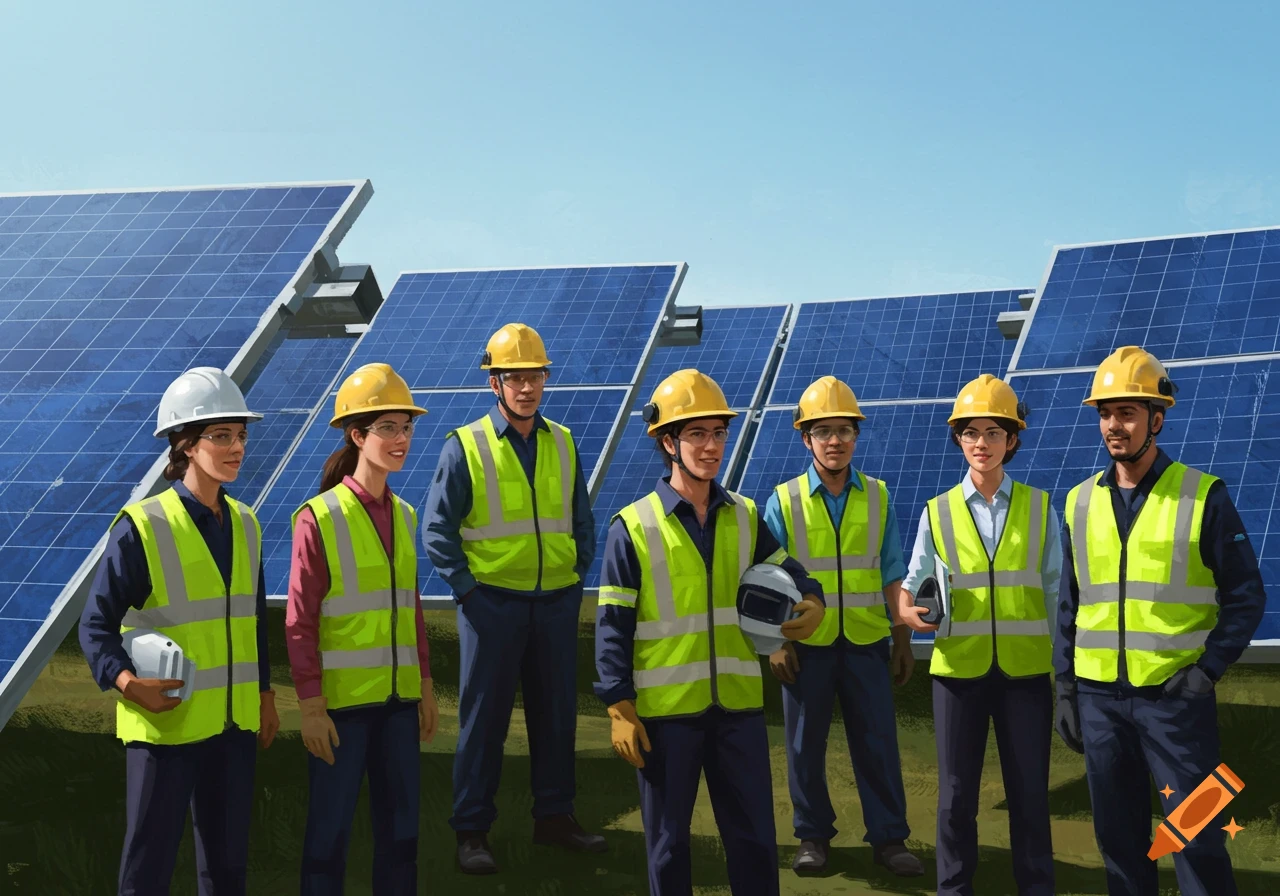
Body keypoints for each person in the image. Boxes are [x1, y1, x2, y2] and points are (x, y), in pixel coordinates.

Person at [594, 368, 826, 896]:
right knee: (669, 846)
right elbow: (612, 627)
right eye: (697, 434)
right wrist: (618, 707)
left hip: (738, 712)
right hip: (664, 715)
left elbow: (794, 573)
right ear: (668, 441)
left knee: (754, 843)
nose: (711, 445)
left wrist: (813, 600)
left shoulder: (744, 515)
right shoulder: (631, 527)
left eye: (718, 433)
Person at [1053, 346, 1267, 896]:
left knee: (1198, 836)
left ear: (1157, 418)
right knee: (1118, 840)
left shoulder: (1204, 495)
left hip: (1177, 700)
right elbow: (1069, 609)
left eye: (1126, 412)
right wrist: (1065, 691)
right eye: (1105, 413)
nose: (1113, 425)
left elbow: (1246, 595)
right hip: (1100, 701)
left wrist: (1207, 671)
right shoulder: (1078, 502)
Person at [78, 366, 279, 896]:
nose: (236, 448)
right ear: (186, 444)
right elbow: (95, 626)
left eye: (240, 435)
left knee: (227, 867)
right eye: (220, 436)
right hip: (164, 726)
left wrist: (264, 694)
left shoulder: (248, 524)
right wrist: (126, 683)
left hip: (232, 725)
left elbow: (252, 620)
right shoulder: (142, 526)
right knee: (148, 866)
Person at [421, 323, 604, 874]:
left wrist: (574, 581)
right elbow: (437, 531)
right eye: (515, 377)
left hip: (554, 603)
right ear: (494, 383)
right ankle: (472, 830)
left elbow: (581, 522)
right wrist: (470, 594)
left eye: (535, 376)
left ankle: (555, 819)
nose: (527, 387)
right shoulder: (465, 446)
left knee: (557, 717)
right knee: (484, 721)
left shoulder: (564, 441)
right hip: (491, 607)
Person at [897, 374, 1059, 896]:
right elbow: (911, 585)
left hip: (1026, 674)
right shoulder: (936, 511)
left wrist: (1059, 659)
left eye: (994, 432)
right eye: (971, 432)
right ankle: (954, 889)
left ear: (1012, 439)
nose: (982, 443)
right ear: (959, 439)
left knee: (1031, 794)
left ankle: (1036, 888)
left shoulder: (1040, 507)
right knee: (955, 796)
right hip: (957, 673)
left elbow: (1056, 589)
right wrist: (908, 611)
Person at [286, 362, 439, 895]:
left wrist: (423, 685)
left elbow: (411, 607)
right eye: (389, 428)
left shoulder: (406, 515)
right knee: (328, 840)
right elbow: (299, 621)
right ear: (357, 435)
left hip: (398, 705)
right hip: (342, 710)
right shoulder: (318, 517)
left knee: (401, 838)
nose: (402, 439)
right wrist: (309, 705)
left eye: (407, 427)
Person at [763, 375, 923, 877]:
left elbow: (893, 572)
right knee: (804, 746)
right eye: (823, 431)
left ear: (856, 435)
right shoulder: (782, 501)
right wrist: (773, 642)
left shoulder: (878, 496)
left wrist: (902, 640)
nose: (835, 440)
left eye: (844, 430)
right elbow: (767, 580)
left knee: (878, 742)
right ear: (805, 437)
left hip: (867, 643)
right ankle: (812, 837)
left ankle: (889, 838)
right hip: (806, 647)